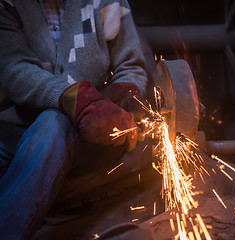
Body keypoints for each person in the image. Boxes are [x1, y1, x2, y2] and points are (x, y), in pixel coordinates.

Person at [0, 0, 148, 239]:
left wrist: (117, 101)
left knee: (53, 123)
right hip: (15, 134)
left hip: (90, 136)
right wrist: (76, 99)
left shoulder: (105, 2)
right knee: (50, 121)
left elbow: (130, 66)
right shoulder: (7, 5)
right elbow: (16, 70)